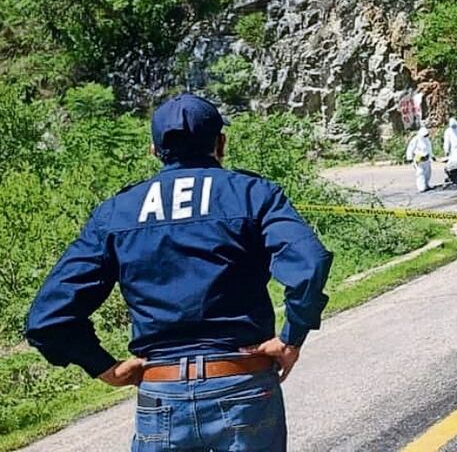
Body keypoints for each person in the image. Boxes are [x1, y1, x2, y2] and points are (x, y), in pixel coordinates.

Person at [24, 93, 333, 451]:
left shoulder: (117, 213)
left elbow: (47, 318)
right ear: (221, 143)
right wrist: (291, 336)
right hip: (242, 385)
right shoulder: (252, 194)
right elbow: (308, 262)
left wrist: (105, 367)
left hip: (161, 394)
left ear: (153, 150)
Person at [406, 125, 433, 192]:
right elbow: (410, 148)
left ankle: (426, 185)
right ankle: (421, 187)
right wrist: (409, 157)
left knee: (428, 173)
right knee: (420, 173)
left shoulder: (426, 140)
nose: (426, 136)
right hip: (419, 159)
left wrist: (432, 156)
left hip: (426, 159)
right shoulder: (416, 139)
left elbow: (429, 148)